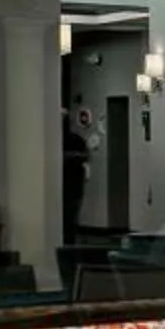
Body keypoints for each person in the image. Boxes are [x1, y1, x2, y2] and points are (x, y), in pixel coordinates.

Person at [62, 102, 97, 240]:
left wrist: (68, 157)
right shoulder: (52, 141)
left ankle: (69, 242)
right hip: (62, 186)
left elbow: (87, 156)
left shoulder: (77, 140)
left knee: (70, 218)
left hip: (73, 187)